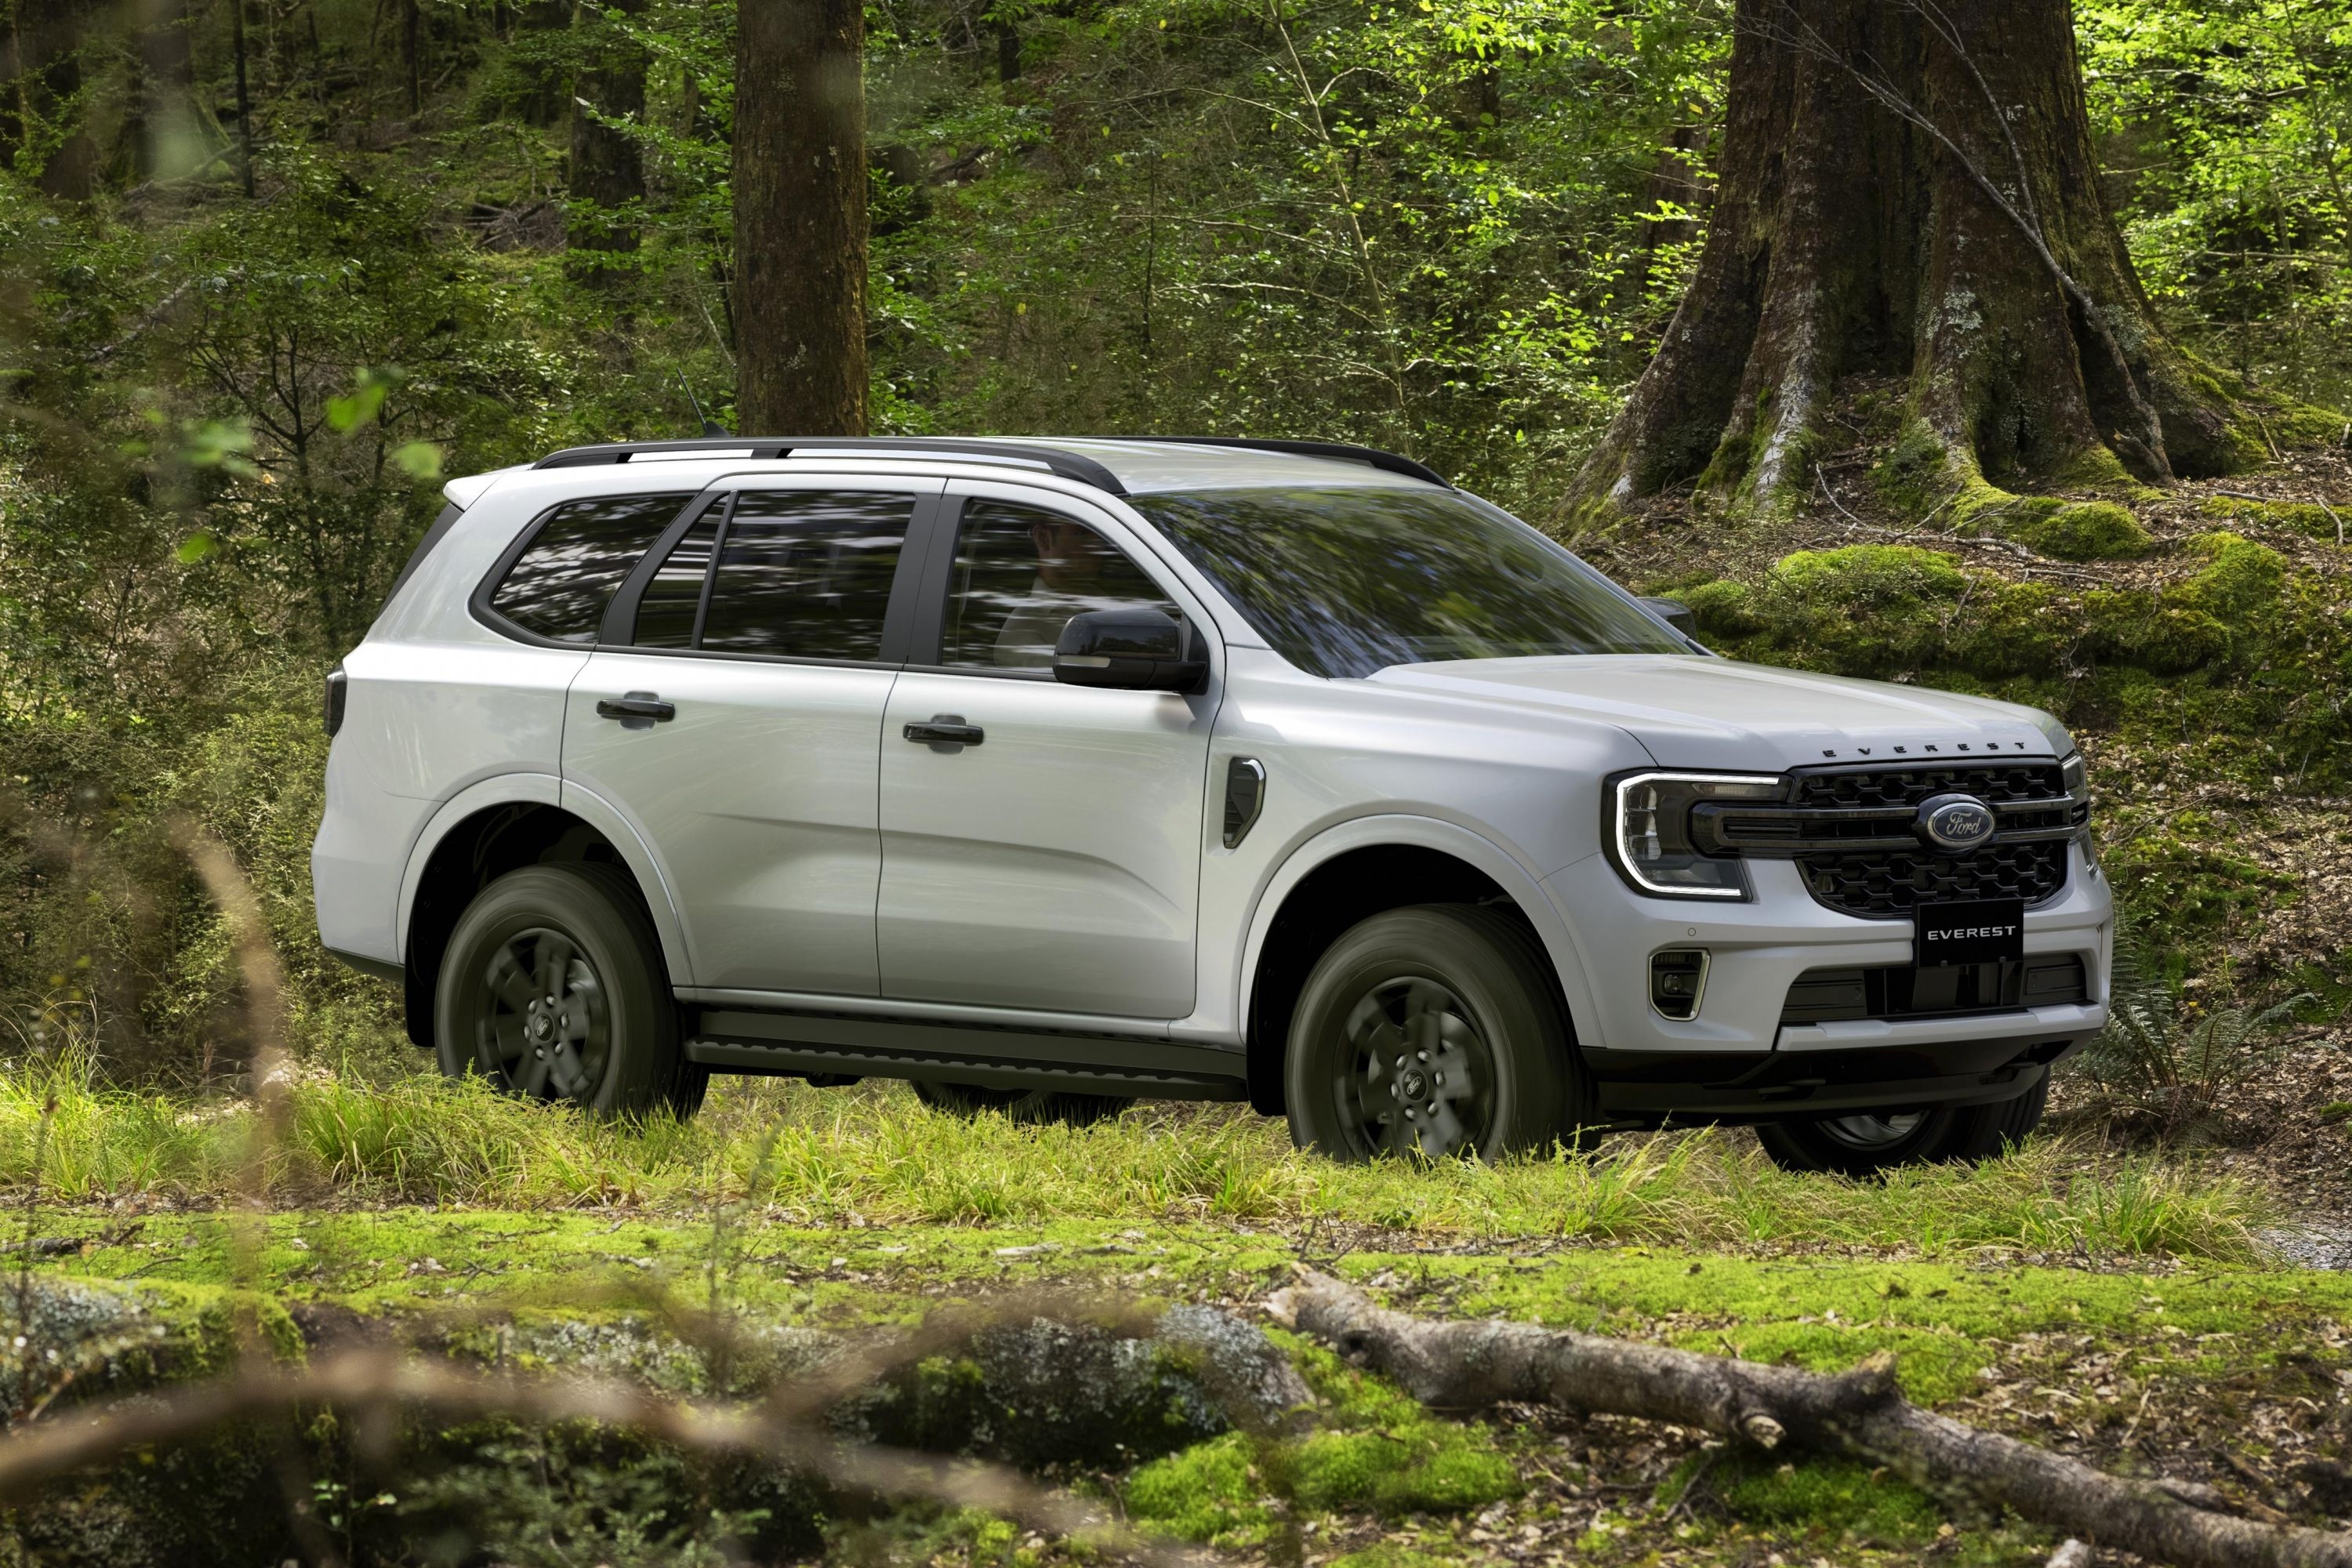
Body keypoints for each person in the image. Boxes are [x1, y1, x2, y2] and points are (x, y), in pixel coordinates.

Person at [991, 516, 1166, 668]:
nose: (1098, 546)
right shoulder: (1020, 635)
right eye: (1082, 533)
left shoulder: (1104, 599)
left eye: (1100, 534)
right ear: (1044, 538)